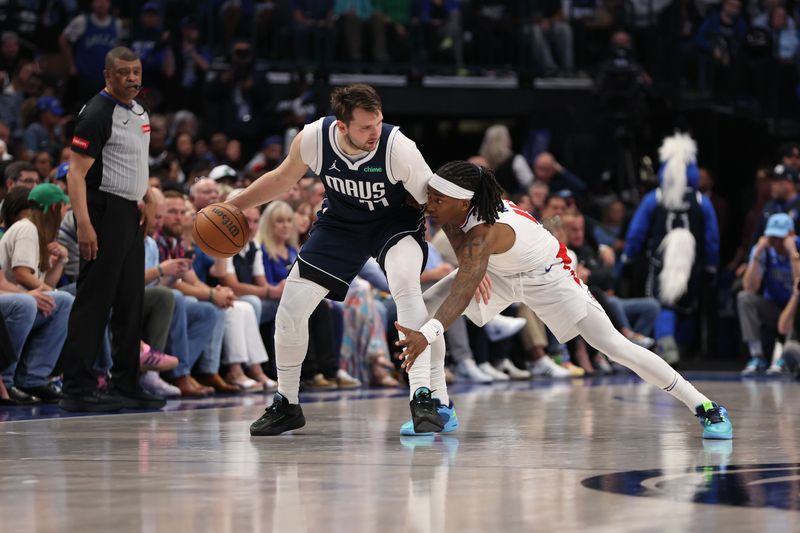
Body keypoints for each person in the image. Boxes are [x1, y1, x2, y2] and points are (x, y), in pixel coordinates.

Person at [395, 161, 733, 440]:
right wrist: (474, 268)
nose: (430, 205)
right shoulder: (457, 207)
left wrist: (431, 330)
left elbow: (463, 282)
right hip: (499, 270)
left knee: (614, 346)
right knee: (423, 307)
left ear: (464, 203)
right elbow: (457, 239)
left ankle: (705, 406)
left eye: (438, 200)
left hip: (549, 275)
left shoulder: (486, 233)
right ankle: (439, 406)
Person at [228, 84, 443, 436]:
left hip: (393, 223)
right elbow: (281, 179)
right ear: (341, 126)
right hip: (341, 224)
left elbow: (438, 204)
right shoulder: (313, 138)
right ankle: (287, 403)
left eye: (378, 123)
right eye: (364, 127)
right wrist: (234, 204)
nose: (375, 133)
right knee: (290, 310)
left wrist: (471, 259)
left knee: (405, 286)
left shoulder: (399, 147)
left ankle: (422, 396)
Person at [58, 47, 165, 413]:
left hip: (130, 212)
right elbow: (75, 174)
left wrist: (148, 196)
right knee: (94, 301)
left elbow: (138, 160)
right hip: (102, 211)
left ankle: (126, 383)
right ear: (108, 75)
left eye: (136, 71)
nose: (132, 79)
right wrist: (84, 223)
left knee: (129, 302)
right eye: (124, 73)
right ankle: (77, 386)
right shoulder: (96, 113)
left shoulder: (139, 111)